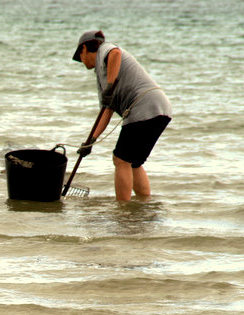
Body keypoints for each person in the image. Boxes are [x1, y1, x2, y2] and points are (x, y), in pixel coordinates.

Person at [72, 30, 171, 201]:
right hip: (160, 109)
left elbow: (115, 54)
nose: (81, 61)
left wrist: (110, 85)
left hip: (143, 106)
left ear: (85, 49)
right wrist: (91, 141)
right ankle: (144, 205)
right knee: (134, 163)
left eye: (80, 56)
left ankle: (123, 210)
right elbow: (106, 111)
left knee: (120, 160)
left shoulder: (104, 49)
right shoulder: (101, 75)